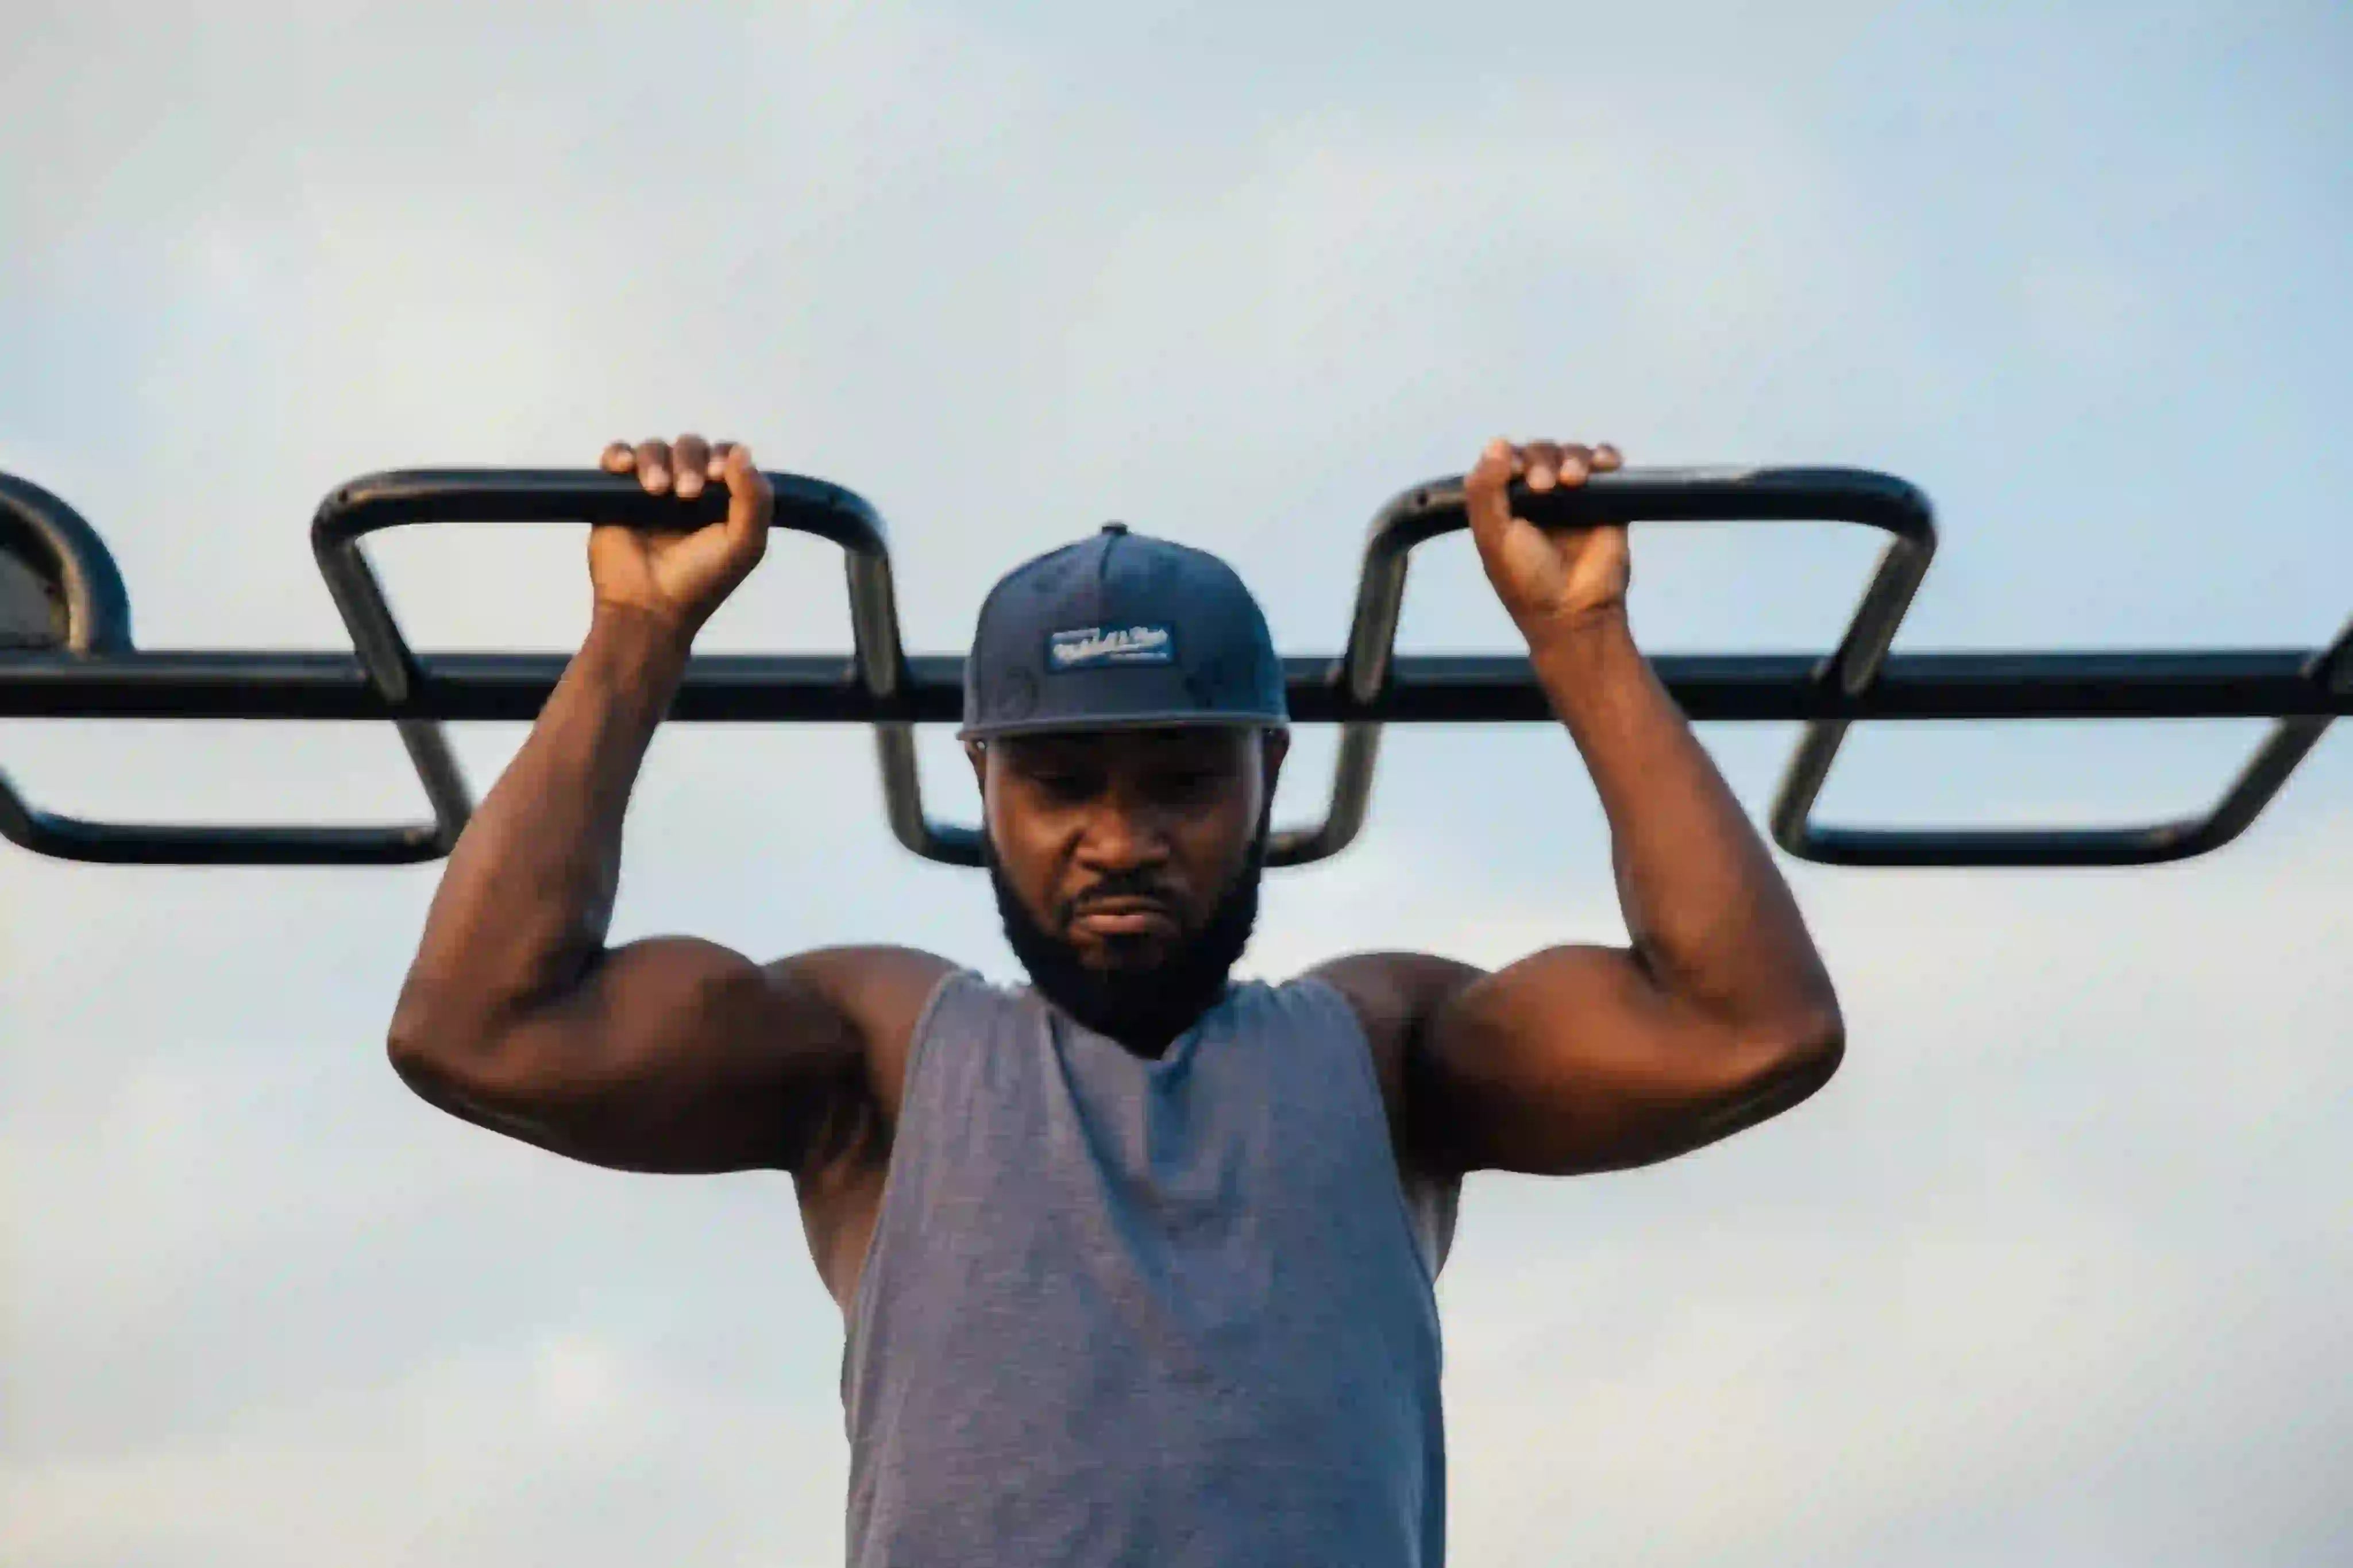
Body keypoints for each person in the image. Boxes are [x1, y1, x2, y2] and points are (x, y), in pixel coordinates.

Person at [385, 431, 1846, 1568]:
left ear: (1268, 777)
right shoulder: (881, 1056)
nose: (1120, 839)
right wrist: (635, 632)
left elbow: (1746, 1026)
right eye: (1062, 783)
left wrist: (1580, 635)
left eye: (1181, 781)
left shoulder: (1382, 1052)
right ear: (983, 784)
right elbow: (479, 1028)